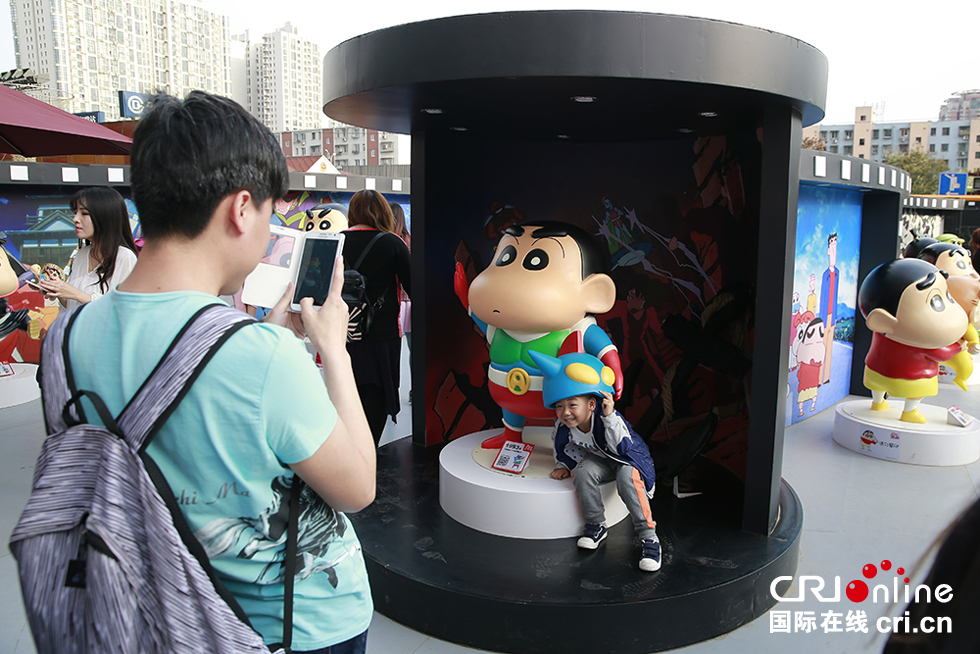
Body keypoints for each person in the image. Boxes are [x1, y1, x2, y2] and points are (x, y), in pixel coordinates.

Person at [61, 91, 375, 653]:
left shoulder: (67, 337)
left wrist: (270, 338)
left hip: (157, 615)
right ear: (241, 209)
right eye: (271, 215)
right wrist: (334, 349)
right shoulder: (261, 356)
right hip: (290, 626)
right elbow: (357, 488)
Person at [530, 349, 660, 573]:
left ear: (591, 404)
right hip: (601, 461)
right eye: (559, 406)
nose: (565, 412)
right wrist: (563, 465)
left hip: (627, 459)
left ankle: (649, 537)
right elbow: (561, 448)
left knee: (626, 477)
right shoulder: (564, 427)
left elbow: (623, 448)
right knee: (582, 471)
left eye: (572, 405)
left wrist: (609, 418)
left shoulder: (608, 418)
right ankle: (596, 524)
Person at [343, 189, 411, 445]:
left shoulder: (336, 241)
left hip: (343, 332)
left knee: (348, 391)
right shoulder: (392, 243)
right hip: (382, 333)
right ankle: (368, 450)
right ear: (383, 212)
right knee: (379, 394)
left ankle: (350, 447)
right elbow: (414, 286)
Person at [38, 186, 138, 309]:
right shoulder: (82, 254)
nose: (75, 219)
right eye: (75, 213)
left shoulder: (124, 257)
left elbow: (124, 308)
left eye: (84, 213)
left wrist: (77, 294)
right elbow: (71, 305)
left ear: (105, 217)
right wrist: (57, 289)